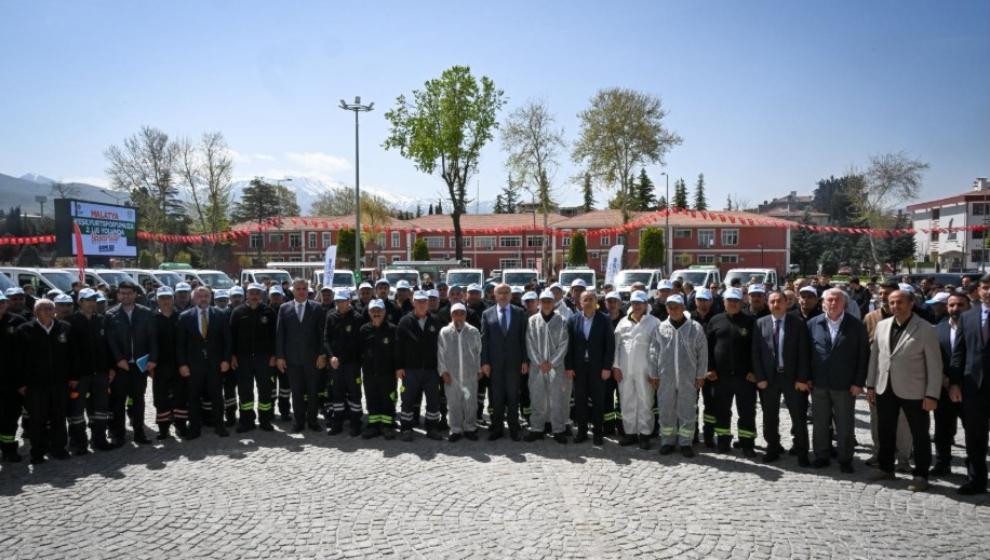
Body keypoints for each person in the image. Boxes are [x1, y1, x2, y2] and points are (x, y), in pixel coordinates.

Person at [866, 289, 942, 492]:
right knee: (885, 430)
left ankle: (921, 475)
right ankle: (886, 468)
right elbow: (875, 357)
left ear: (911, 304)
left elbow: (935, 365)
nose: (895, 306)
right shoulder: (882, 325)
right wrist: (871, 385)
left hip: (915, 390)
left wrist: (932, 394)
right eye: (891, 302)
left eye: (899, 302)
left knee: (919, 434)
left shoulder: (925, 328)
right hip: (885, 387)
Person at [808, 288, 869, 473]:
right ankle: (821, 455)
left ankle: (845, 458)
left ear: (844, 304)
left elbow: (863, 356)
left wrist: (859, 382)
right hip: (819, 383)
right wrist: (806, 377)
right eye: (829, 300)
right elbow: (806, 353)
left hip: (845, 384)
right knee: (820, 422)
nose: (833, 303)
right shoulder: (813, 324)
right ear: (823, 303)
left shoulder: (856, 325)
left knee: (845, 424)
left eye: (837, 300)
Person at [752, 291, 812, 466]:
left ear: (786, 303)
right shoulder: (760, 323)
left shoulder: (798, 323)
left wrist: (802, 378)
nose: (776, 305)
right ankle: (773, 448)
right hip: (769, 379)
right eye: (772, 302)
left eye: (779, 301)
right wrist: (760, 377)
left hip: (792, 379)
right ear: (767, 304)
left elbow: (804, 353)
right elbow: (755, 353)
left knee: (798, 416)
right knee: (770, 416)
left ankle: (802, 452)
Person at [648, 293, 708, 456]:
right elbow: (653, 352)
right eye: (670, 307)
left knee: (687, 409)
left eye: (676, 307)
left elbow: (702, 353)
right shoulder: (660, 328)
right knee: (666, 409)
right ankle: (667, 441)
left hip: (688, 378)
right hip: (665, 377)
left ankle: (685, 442)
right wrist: (653, 374)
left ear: (683, 307)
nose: (673, 310)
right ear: (667, 308)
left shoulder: (695, 328)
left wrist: (701, 375)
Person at [16, 299, 73, 464]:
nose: (49, 311)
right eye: (44, 309)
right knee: (37, 419)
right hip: (35, 385)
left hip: (59, 383)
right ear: (36, 312)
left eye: (51, 308)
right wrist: (21, 383)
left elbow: (72, 354)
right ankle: (37, 452)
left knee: (59, 417)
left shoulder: (64, 328)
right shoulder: (25, 330)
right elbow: (17, 359)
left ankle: (59, 448)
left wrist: (73, 377)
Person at [949, 273, 990, 494]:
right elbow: (959, 353)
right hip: (973, 387)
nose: (988, 292)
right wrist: (955, 383)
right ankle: (977, 480)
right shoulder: (967, 317)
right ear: (978, 290)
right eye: (985, 287)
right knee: (974, 436)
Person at [705, 288, 757, 456]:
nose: (733, 303)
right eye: (730, 300)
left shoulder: (750, 321)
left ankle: (747, 444)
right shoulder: (715, 320)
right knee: (721, 411)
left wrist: (754, 370)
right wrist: (710, 368)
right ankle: (723, 441)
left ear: (742, 302)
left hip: (745, 377)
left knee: (747, 412)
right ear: (724, 302)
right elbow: (708, 348)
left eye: (736, 301)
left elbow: (757, 349)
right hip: (721, 377)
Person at [104, 280, 158, 446]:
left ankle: (139, 433)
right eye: (123, 293)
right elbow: (110, 341)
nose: (126, 296)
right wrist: (118, 360)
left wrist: (153, 359)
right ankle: (119, 434)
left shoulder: (146, 313)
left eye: (129, 293)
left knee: (138, 400)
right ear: (118, 295)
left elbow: (153, 338)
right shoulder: (111, 314)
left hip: (140, 365)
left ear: (135, 294)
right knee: (118, 401)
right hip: (121, 366)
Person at [176, 286, 232, 438]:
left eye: (206, 296)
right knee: (193, 397)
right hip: (193, 365)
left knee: (217, 396)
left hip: (215, 364)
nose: (203, 299)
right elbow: (180, 344)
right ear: (193, 298)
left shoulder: (220, 315)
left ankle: (219, 425)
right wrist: (182, 364)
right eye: (199, 296)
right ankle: (194, 428)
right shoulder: (185, 317)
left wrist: (226, 360)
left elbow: (227, 341)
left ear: (210, 297)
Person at [275, 278, 327, 432]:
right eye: (298, 289)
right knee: (296, 392)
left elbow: (322, 334)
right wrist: (280, 357)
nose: (301, 291)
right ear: (293, 290)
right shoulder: (284, 308)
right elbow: (280, 334)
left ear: (308, 290)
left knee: (313, 392)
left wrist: (322, 354)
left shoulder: (317, 308)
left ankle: (313, 421)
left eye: (304, 288)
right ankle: (299, 422)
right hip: (292, 360)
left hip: (313, 359)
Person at [564, 290, 615, 446]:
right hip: (579, 368)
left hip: (598, 368)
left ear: (596, 302)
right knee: (580, 401)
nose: (588, 302)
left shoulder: (604, 319)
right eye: (585, 299)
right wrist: (569, 366)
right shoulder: (573, 320)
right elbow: (569, 345)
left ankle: (598, 433)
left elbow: (610, 345)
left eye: (591, 299)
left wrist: (607, 367)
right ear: (580, 302)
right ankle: (582, 432)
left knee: (598, 401)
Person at [480, 283, 529, 441]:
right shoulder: (487, 314)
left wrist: (524, 360)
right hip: (494, 364)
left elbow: (523, 338)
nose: (503, 295)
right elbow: (484, 340)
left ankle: (514, 429)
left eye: (506, 292)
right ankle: (497, 429)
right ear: (494, 295)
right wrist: (485, 362)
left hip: (515, 363)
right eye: (500, 293)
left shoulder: (519, 313)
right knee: (496, 398)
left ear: (510, 295)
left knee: (513, 397)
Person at [613, 291, 661, 449]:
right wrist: (616, 366)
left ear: (646, 304)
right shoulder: (623, 322)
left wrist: (655, 372)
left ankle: (645, 434)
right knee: (626, 400)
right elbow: (616, 346)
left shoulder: (654, 323)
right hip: (625, 369)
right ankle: (630, 433)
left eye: (640, 303)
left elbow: (658, 349)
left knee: (645, 401)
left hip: (645, 370)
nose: (637, 306)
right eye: (634, 303)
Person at [229, 283, 277, 433]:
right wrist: (232, 356)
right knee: (245, 390)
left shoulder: (268, 312)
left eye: (257, 293)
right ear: (246, 295)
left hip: (264, 359)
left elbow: (275, 336)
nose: (254, 296)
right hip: (243, 359)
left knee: (265, 390)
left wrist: (274, 355)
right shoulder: (238, 312)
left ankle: (265, 420)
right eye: (252, 293)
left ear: (261, 295)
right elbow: (232, 336)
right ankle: (246, 421)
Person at [396, 291, 443, 441]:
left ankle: (432, 427)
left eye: (424, 301)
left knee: (433, 400)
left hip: (431, 369)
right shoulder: (405, 321)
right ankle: (406, 428)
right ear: (413, 302)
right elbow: (398, 346)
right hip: (411, 369)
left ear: (428, 303)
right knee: (408, 400)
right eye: (418, 301)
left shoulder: (436, 320)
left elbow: (442, 346)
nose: (422, 304)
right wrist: (399, 367)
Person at [525, 290, 570, 443]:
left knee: (557, 399)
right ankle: (537, 428)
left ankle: (558, 429)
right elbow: (529, 343)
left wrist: (551, 363)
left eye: (549, 301)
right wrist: (540, 362)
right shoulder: (532, 321)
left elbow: (564, 344)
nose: (546, 304)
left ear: (553, 303)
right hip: (537, 368)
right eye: (543, 301)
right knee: (537, 398)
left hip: (555, 368)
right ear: (539, 303)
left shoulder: (561, 320)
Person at [931, 292, 967, 476]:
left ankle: (974, 468)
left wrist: (959, 382)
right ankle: (942, 463)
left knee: (974, 430)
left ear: (968, 306)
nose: (955, 309)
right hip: (943, 388)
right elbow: (933, 357)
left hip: (970, 388)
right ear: (947, 307)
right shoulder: (938, 329)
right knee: (942, 429)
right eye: (952, 305)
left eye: (960, 305)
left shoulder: (976, 328)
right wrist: (944, 379)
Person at [437, 303, 482, 442]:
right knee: (453, 403)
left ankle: (470, 428)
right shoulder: (445, 332)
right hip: (452, 376)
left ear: (465, 315)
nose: (459, 316)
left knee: (470, 402)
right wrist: (443, 372)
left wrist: (479, 370)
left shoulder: (473, 331)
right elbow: (440, 353)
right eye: (455, 313)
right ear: (451, 315)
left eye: (461, 313)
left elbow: (479, 352)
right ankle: (455, 429)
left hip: (470, 375)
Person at [323, 289, 364, 437]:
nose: (339, 304)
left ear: (349, 301)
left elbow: (359, 343)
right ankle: (337, 422)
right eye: (338, 301)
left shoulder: (357, 318)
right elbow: (326, 339)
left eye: (342, 301)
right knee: (337, 393)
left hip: (352, 364)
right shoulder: (331, 317)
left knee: (354, 394)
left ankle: (356, 423)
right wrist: (331, 356)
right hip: (335, 364)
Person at [358, 300, 399, 440]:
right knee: (372, 398)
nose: (376, 313)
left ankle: (387, 426)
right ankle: (373, 425)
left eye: (379, 310)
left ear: (384, 312)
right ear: (369, 312)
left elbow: (397, 352)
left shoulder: (392, 329)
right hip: (369, 372)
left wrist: (398, 368)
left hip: (388, 373)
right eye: (373, 311)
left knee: (388, 399)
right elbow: (359, 351)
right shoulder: (364, 330)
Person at [151, 286, 186, 440]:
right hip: (159, 365)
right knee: (160, 397)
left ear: (173, 299)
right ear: (157, 300)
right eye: (162, 298)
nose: (165, 301)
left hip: (178, 364)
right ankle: (163, 428)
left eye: (168, 298)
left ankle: (181, 425)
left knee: (180, 396)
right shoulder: (151, 319)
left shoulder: (181, 318)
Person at [0, 292, 27, 461]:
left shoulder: (17, 321)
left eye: (2, 302)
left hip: (12, 381)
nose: (1, 305)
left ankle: (9, 449)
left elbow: (26, 352)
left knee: (10, 417)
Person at [268, 285, 291, 421]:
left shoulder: (288, 310)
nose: (276, 298)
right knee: (270, 387)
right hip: (270, 356)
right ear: (269, 296)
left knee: (285, 387)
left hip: (285, 355)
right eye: (273, 295)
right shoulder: (264, 311)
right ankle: (270, 411)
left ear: (282, 296)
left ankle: (284, 411)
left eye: (278, 295)